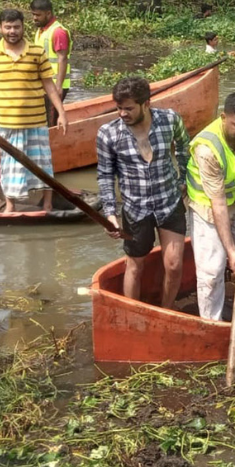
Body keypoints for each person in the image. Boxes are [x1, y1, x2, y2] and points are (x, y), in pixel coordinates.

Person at [97, 76, 191, 308]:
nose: (122, 113)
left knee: (174, 265)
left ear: (146, 104)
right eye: (119, 108)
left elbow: (184, 147)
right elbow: (106, 175)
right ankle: (134, 313)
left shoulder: (170, 120)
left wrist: (184, 181)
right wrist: (110, 213)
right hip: (135, 209)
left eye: (129, 108)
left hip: (169, 202)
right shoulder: (108, 134)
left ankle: (166, 310)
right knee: (135, 266)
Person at [0, 9, 68, 212]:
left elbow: (49, 85)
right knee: (9, 165)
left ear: (23, 27)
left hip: (36, 121)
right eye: (8, 27)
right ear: (0, 28)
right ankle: (10, 206)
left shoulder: (36, 52)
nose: (12, 31)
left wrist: (61, 112)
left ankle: (48, 204)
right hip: (7, 122)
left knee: (43, 163)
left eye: (16, 27)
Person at [185, 91, 235, 321]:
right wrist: (231, 251)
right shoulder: (206, 149)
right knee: (212, 269)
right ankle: (212, 321)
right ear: (223, 117)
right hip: (207, 207)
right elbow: (218, 203)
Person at [29, 0, 72, 127]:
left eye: (38, 15)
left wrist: (58, 86)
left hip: (54, 85)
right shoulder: (41, 30)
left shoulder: (58, 32)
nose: (34, 18)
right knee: (43, 118)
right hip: (43, 83)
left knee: (50, 121)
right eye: (33, 14)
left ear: (48, 13)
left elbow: (62, 58)